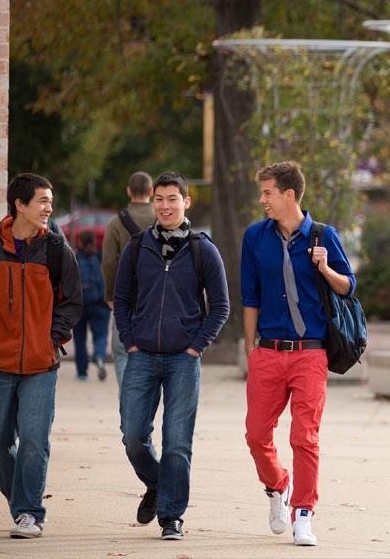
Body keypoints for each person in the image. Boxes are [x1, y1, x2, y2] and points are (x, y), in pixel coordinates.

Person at [0, 173, 82, 539]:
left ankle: (28, 512)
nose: (48, 208)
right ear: (19, 205)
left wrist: (52, 339)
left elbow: (71, 302)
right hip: (0, 363)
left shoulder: (57, 250)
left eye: (50, 202)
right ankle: (21, 499)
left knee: (35, 440)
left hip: (42, 364)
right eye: (41, 201)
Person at [241, 161, 356, 547]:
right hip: (269, 352)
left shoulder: (324, 235)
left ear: (289, 195)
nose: (263, 200)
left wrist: (325, 267)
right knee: (257, 436)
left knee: (304, 437)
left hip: (310, 354)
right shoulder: (255, 237)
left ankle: (303, 513)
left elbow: (347, 288)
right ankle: (278, 485)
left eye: (268, 193)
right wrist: (249, 351)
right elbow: (250, 297)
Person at [112, 171, 230, 540]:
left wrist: (196, 346)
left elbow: (221, 307)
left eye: (172, 199)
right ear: (153, 201)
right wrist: (130, 341)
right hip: (142, 356)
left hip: (183, 359)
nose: (164, 206)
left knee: (177, 440)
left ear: (186, 202)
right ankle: (159, 483)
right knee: (133, 434)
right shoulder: (136, 246)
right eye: (159, 199)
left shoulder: (202, 249)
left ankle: (172, 517)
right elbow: (122, 300)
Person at [102, 171, 155, 386]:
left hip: (126, 296)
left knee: (123, 350)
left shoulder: (116, 222)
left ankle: (129, 402)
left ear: (128, 191)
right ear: (151, 192)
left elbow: (108, 262)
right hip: (155, 296)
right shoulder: (159, 218)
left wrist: (110, 294)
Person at [74, 230, 109, 381]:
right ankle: (100, 357)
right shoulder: (100, 258)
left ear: (80, 242)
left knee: (80, 338)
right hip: (100, 303)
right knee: (100, 335)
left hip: (79, 305)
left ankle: (82, 372)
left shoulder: (75, 258)